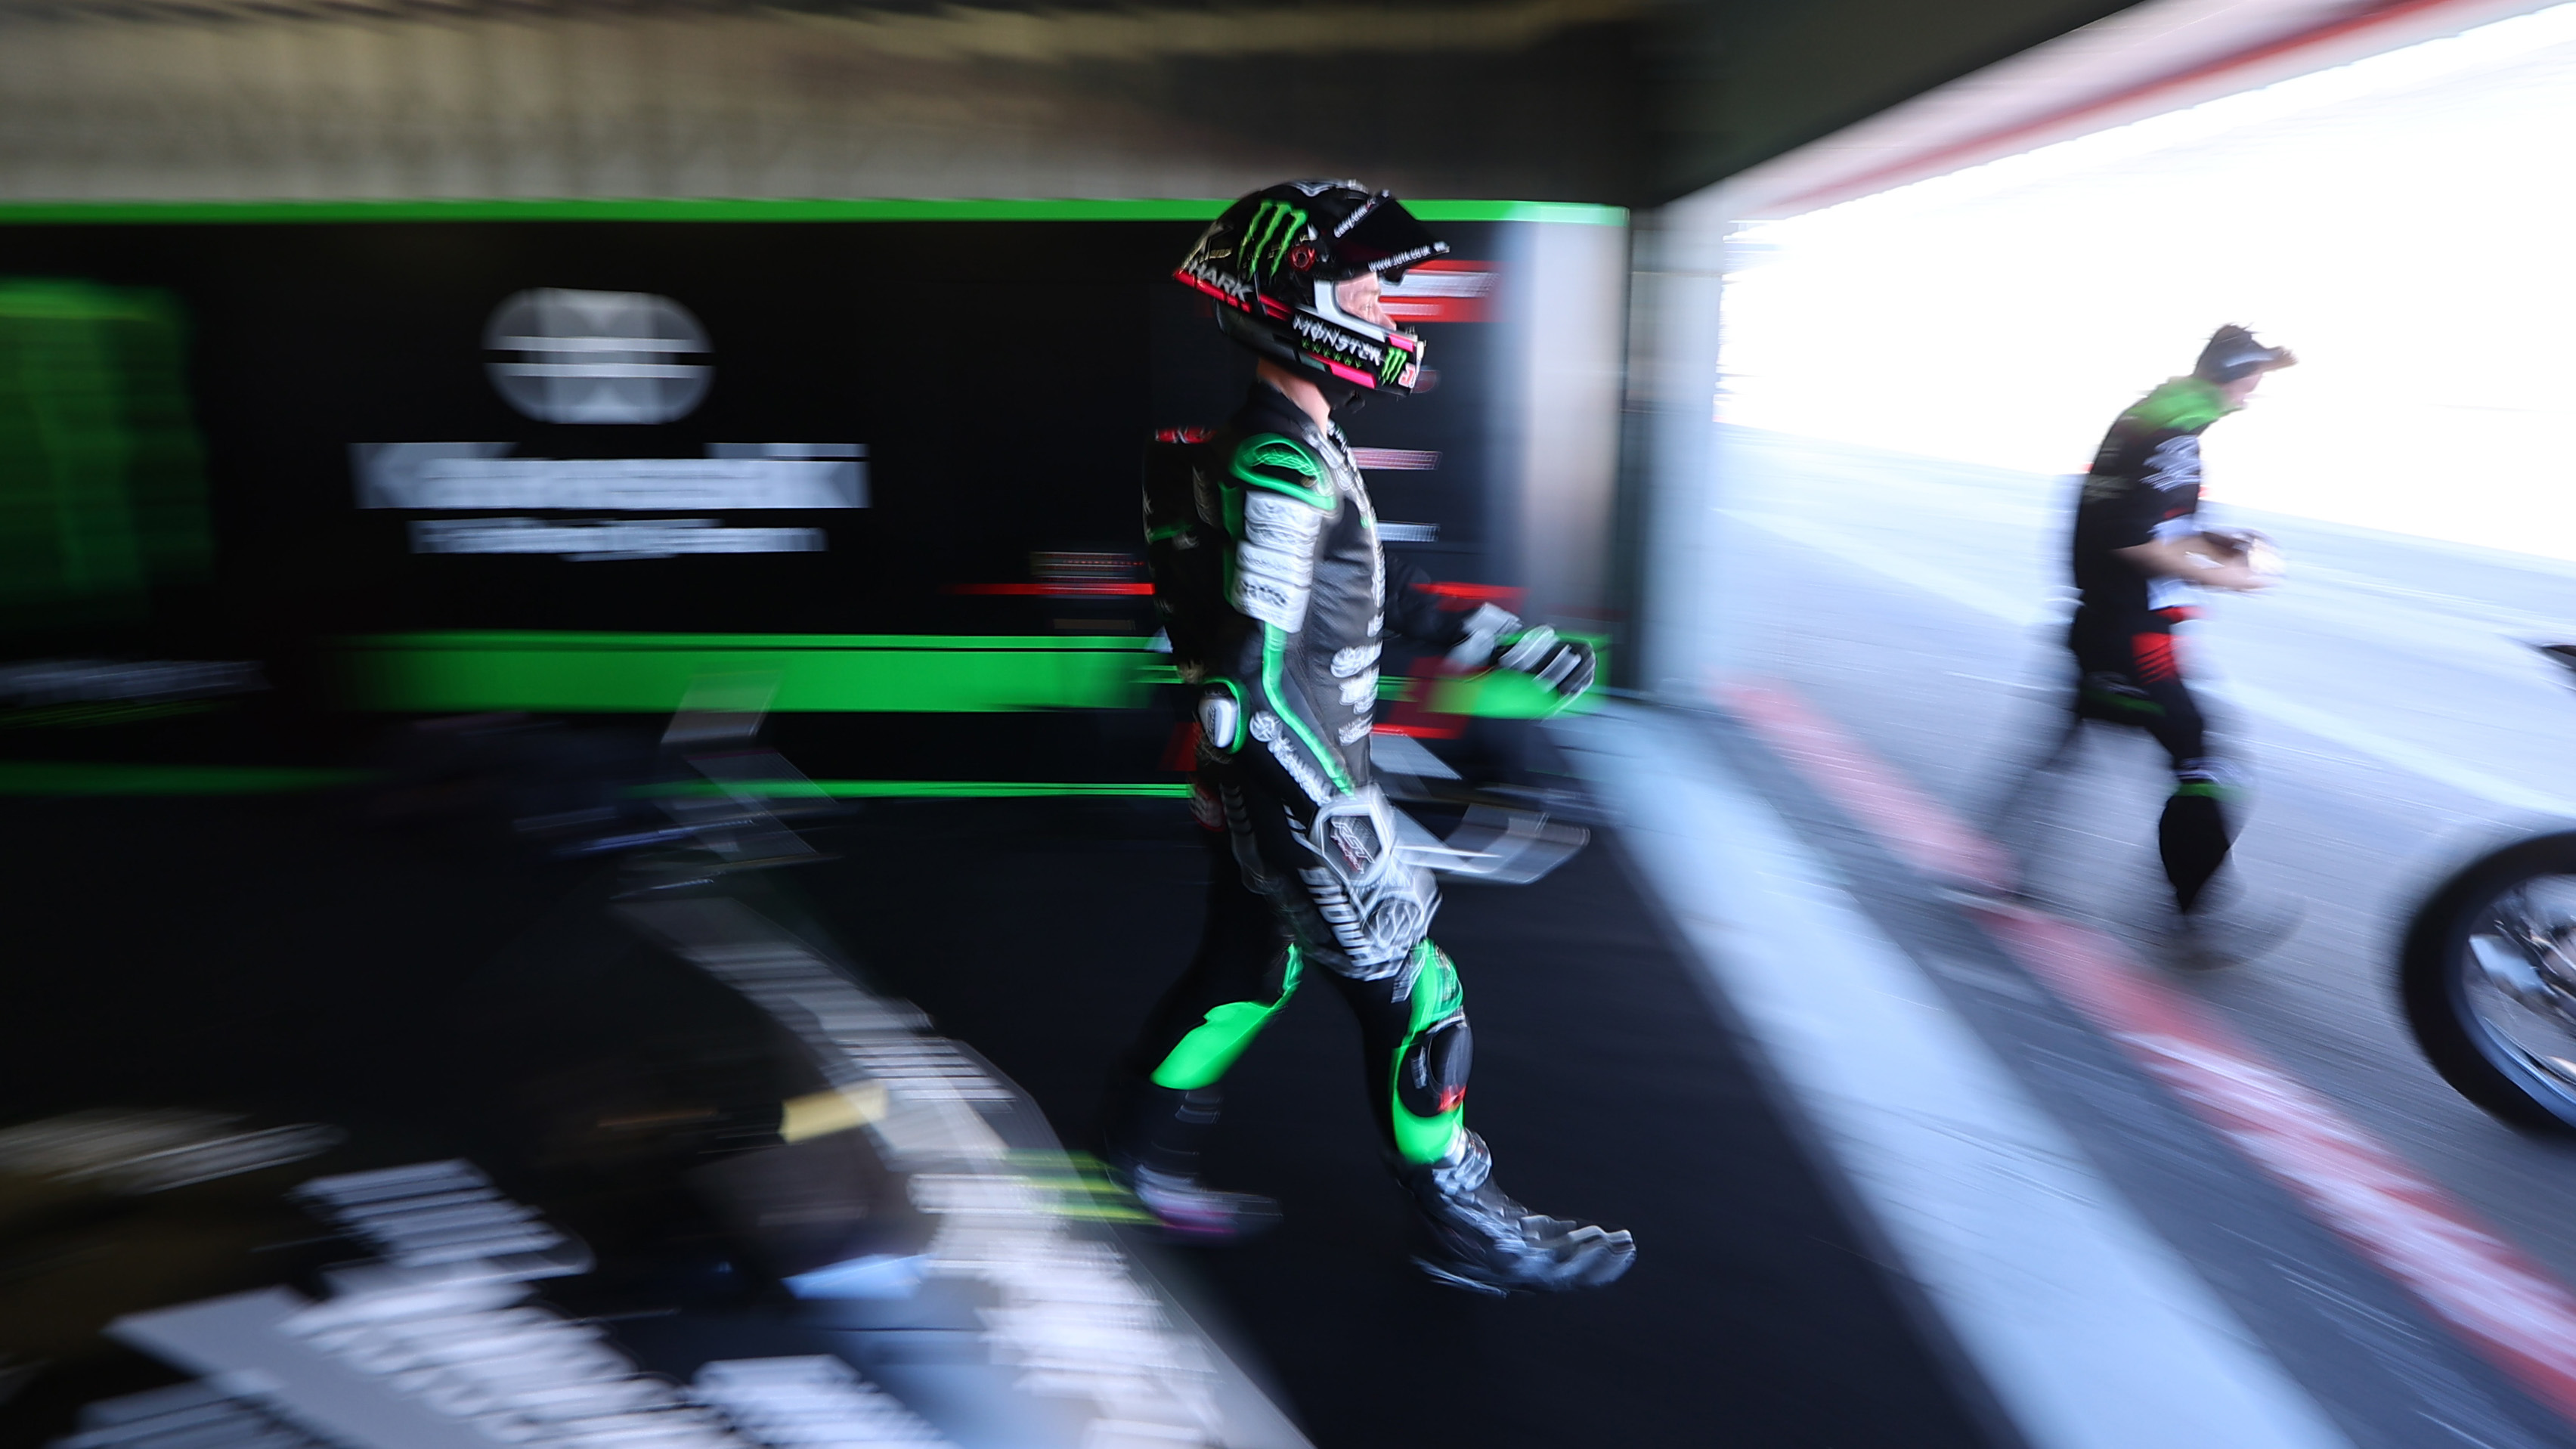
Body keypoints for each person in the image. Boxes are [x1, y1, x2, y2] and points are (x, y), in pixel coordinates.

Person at [1100, 180, 1634, 1295]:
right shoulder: (1279, 461)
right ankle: (1463, 1226)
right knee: (1421, 994)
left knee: (1243, 977)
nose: (1390, 312)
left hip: (1266, 793)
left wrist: (1502, 640)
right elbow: (1243, 687)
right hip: (1301, 796)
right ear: (1291, 304)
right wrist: (1340, 821)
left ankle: (1127, 1167)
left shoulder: (1290, 448)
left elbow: (1365, 591)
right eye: (1365, 290)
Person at [1999, 324, 2297, 964]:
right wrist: (2224, 575)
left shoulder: (2147, 417)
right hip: (2132, 636)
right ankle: (2190, 918)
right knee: (2206, 765)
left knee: (2064, 744)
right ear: (2231, 374)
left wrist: (2207, 538)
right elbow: (2131, 540)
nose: (2252, 395)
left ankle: (2004, 870)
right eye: (2253, 380)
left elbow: (2133, 518)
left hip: (2099, 623)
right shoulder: (2176, 436)